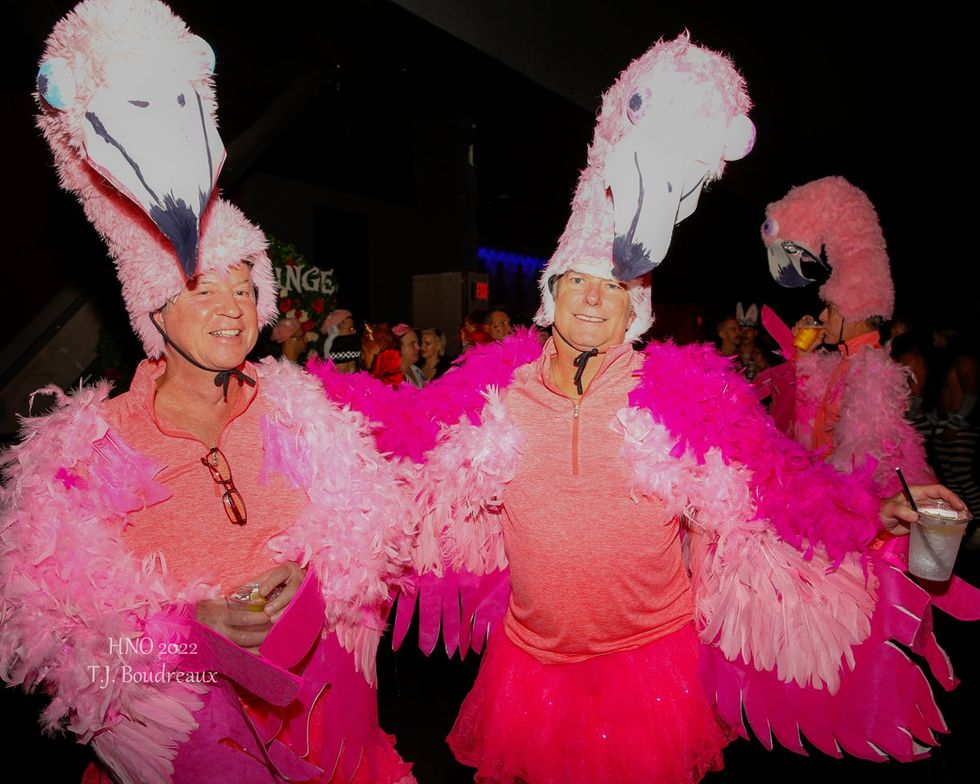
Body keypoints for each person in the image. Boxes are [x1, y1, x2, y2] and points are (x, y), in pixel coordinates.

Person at [314, 34, 979, 784]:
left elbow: (784, 484)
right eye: (578, 281)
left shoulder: (683, 396)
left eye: (613, 285)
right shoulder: (495, 393)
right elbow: (394, 441)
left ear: (636, 306)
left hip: (649, 669)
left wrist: (873, 508)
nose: (595, 295)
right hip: (528, 669)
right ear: (551, 295)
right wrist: (298, 398)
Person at [1, 3, 417, 781]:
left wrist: (318, 578)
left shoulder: (300, 413)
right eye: (200, 288)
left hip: (329, 728)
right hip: (197, 753)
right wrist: (191, 632)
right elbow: (63, 649)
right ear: (154, 309)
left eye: (241, 285)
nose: (229, 306)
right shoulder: (92, 450)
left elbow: (371, 549)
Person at [761, 176, 933, 497]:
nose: (823, 316)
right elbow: (806, 428)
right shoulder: (843, 364)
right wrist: (804, 357)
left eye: (830, 308)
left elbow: (858, 470)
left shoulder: (872, 374)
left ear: (852, 307)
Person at [393, 323, 425, 388]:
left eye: (417, 343)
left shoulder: (417, 371)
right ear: (398, 349)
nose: (418, 347)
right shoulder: (390, 379)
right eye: (412, 344)